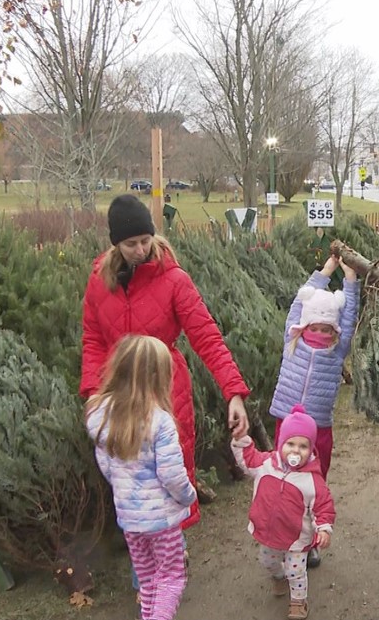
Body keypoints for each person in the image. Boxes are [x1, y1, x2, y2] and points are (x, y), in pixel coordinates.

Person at [81, 194, 250, 589]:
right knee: (129, 479)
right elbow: (92, 338)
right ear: (115, 244)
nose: (140, 250)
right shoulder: (98, 281)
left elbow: (206, 336)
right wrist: (92, 392)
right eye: (130, 243)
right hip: (116, 397)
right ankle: (146, 566)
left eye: (145, 240)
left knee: (168, 475)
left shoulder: (174, 279)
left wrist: (234, 392)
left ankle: (169, 559)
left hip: (165, 393)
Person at [85, 335, 196, 620]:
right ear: (157, 378)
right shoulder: (160, 422)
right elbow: (171, 474)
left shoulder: (101, 414)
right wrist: (188, 496)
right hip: (162, 520)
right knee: (171, 577)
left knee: (148, 580)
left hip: (130, 518)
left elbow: (106, 466)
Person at [268, 254, 358, 567]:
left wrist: (350, 282)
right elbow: (298, 303)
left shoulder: (336, 351)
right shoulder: (292, 339)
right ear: (305, 324)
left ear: (333, 330)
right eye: (314, 326)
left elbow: (349, 319)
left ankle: (309, 541)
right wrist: (325, 272)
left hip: (319, 429)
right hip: (286, 425)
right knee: (283, 481)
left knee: (313, 485)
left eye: (326, 328)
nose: (320, 333)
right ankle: (283, 536)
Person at [232, 405, 335, 620]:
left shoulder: (312, 480)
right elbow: (248, 459)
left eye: (303, 446)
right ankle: (278, 577)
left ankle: (298, 602)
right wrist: (241, 439)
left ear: (311, 449)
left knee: (296, 571)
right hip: (270, 533)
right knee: (268, 561)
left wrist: (323, 528)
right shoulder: (267, 464)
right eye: (290, 444)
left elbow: (323, 505)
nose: (296, 451)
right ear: (280, 443)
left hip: (297, 538)